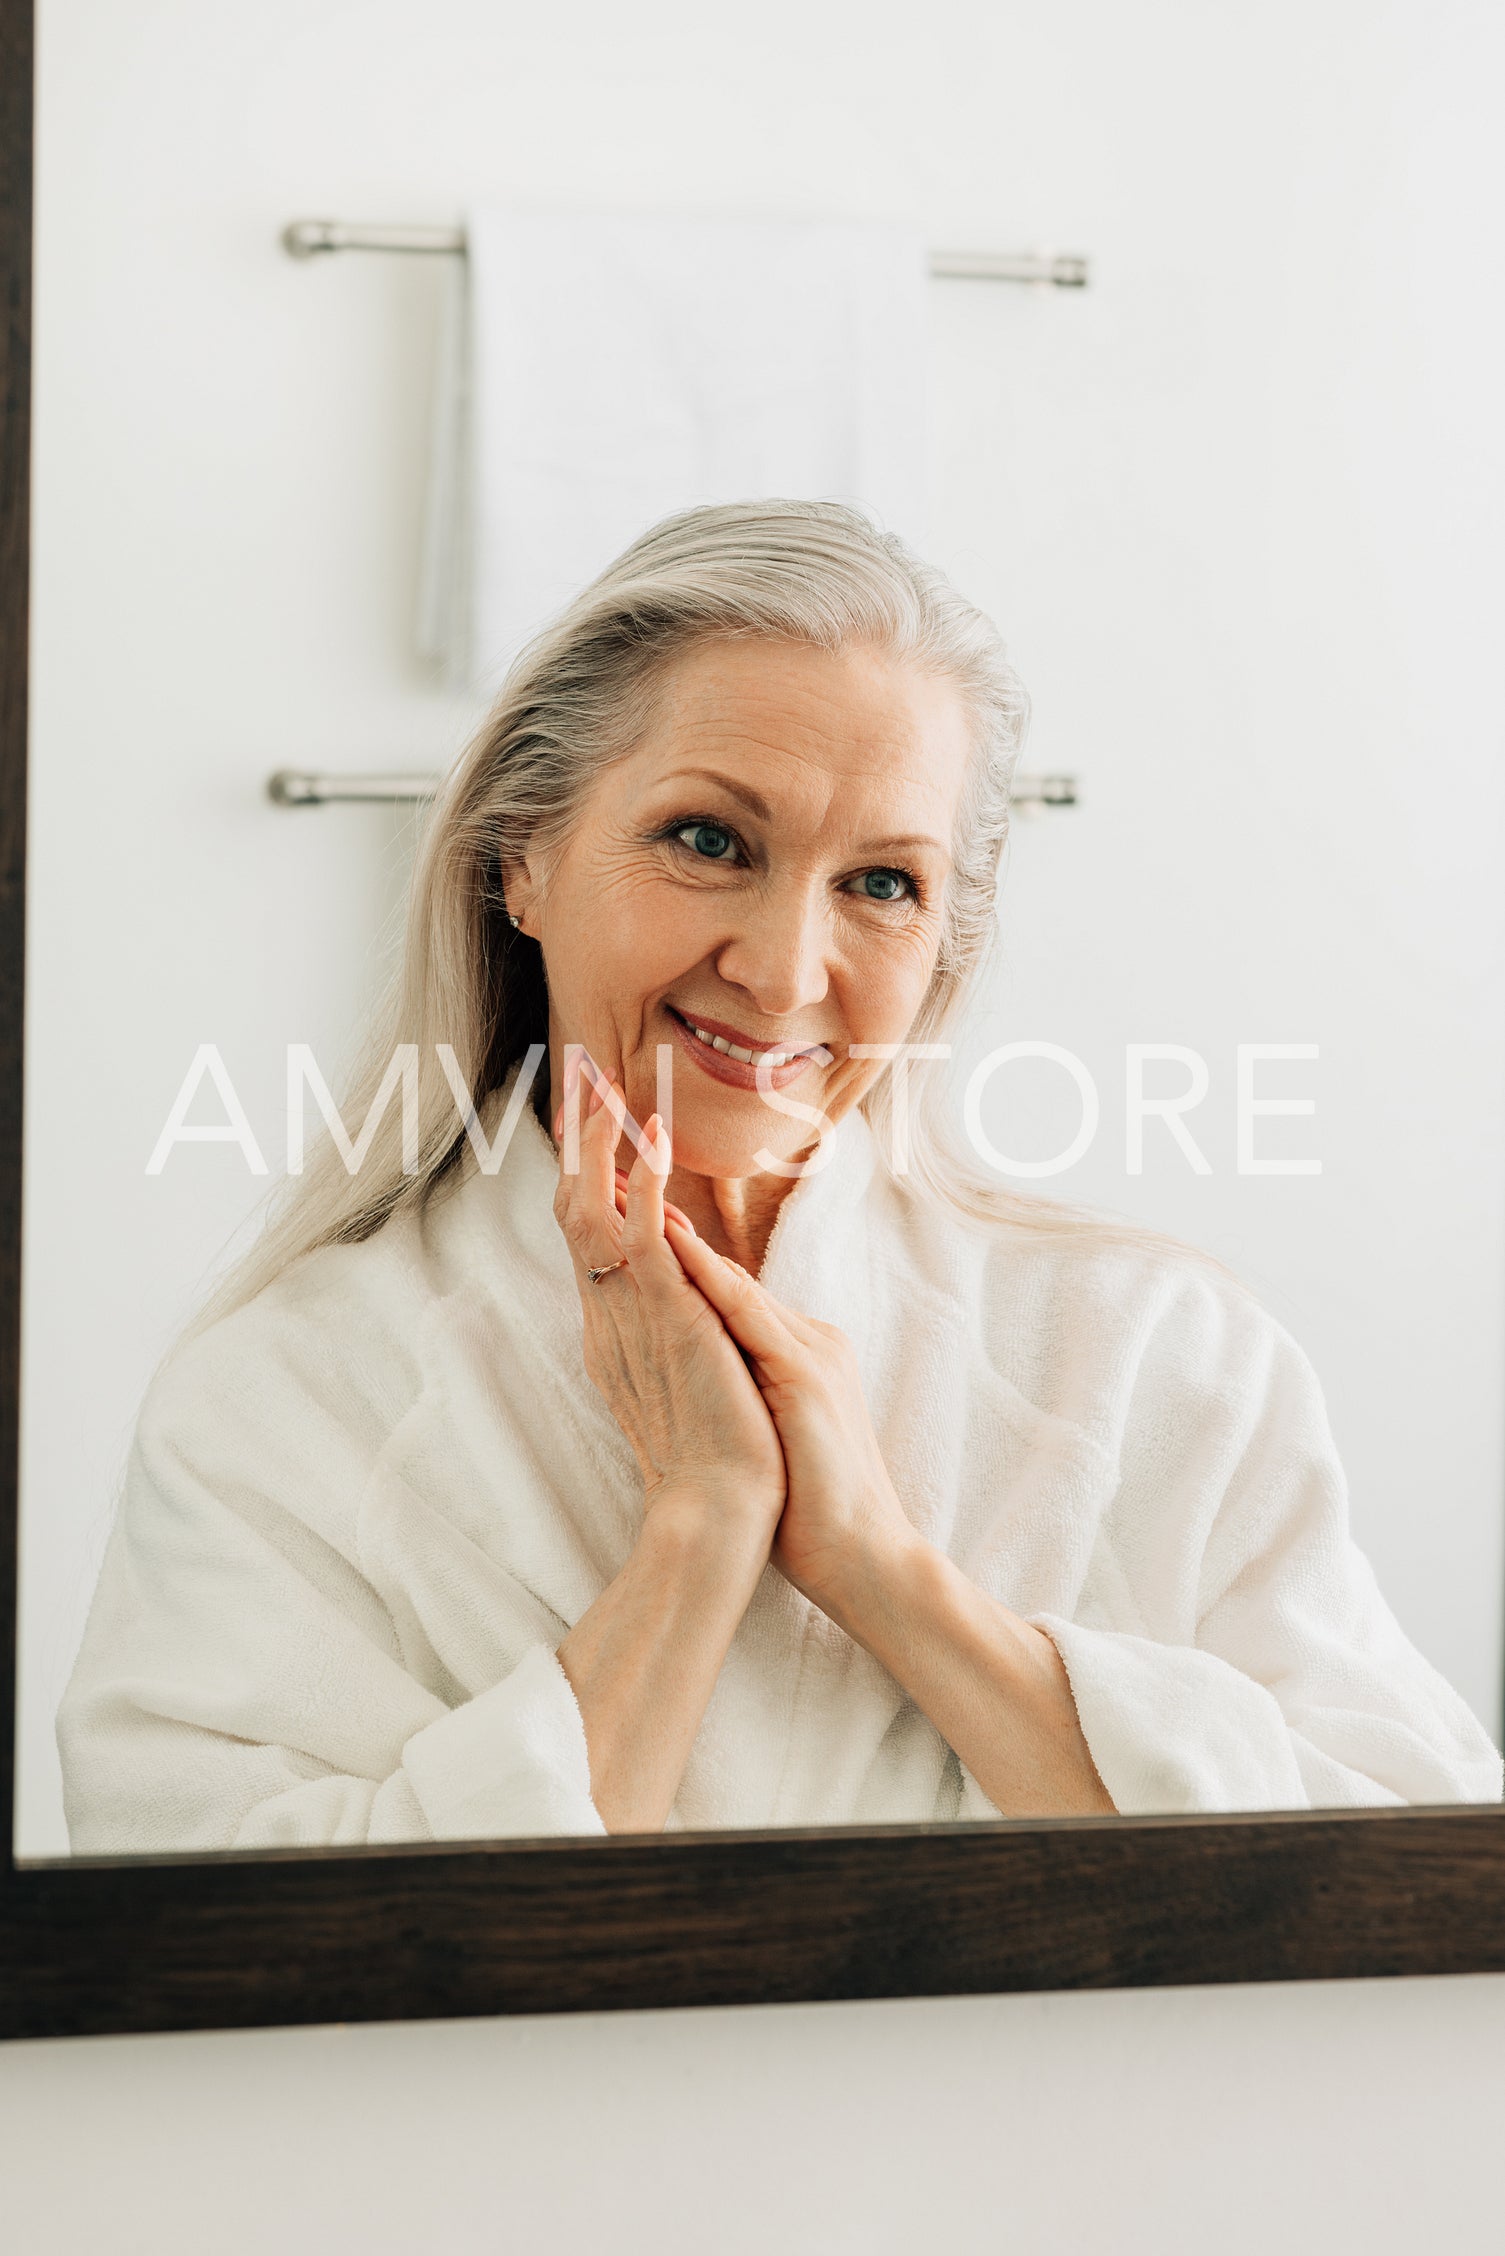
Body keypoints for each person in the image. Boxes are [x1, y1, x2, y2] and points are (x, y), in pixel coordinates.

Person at [56, 500, 1502, 1852]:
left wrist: (878, 1564)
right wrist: (697, 1526)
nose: (784, 969)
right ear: (524, 862)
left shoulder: (1155, 1359)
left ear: (946, 939)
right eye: (706, 840)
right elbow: (218, 1968)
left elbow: (1413, 1871)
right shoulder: (286, 1397)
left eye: (881, 883)